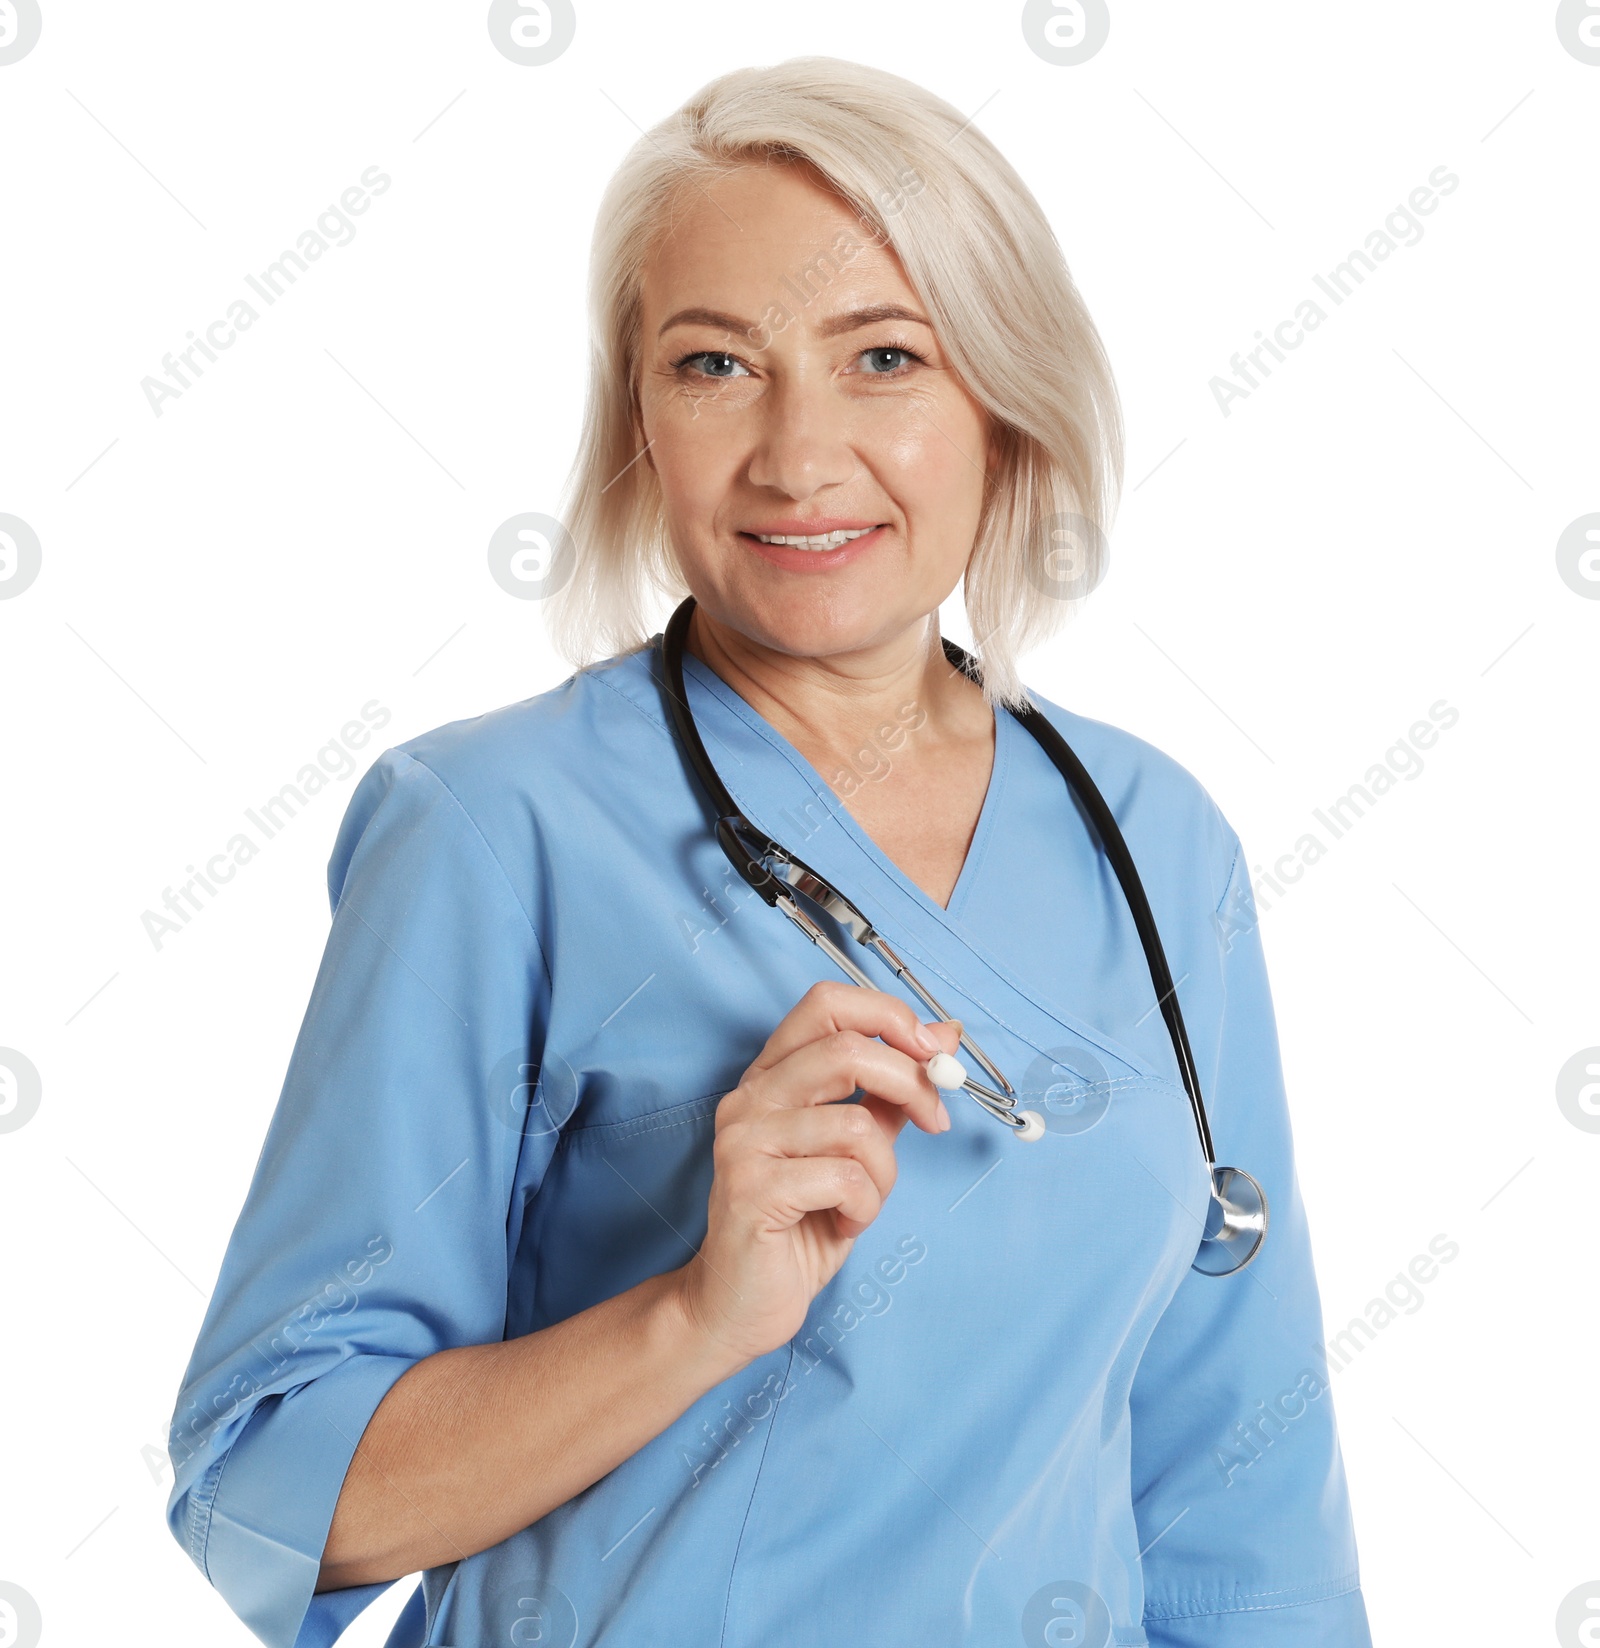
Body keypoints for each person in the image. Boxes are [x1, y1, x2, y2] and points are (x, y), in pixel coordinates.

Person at [165, 57, 1371, 1648]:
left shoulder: (1151, 842)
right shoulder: (489, 831)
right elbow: (271, 1478)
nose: (798, 456)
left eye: (885, 357)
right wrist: (692, 1315)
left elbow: (1241, 1500)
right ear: (639, 419)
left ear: (1000, 405)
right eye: (717, 363)